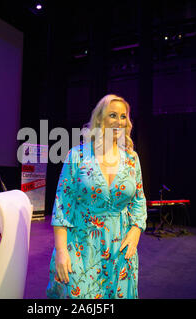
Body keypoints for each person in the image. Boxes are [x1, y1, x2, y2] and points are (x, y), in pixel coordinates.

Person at [46, 94, 147, 299]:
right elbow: (62, 206)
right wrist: (61, 251)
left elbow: (139, 200)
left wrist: (136, 231)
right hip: (81, 246)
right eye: (112, 115)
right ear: (100, 120)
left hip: (120, 248)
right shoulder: (77, 156)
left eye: (123, 116)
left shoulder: (131, 159)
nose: (119, 121)